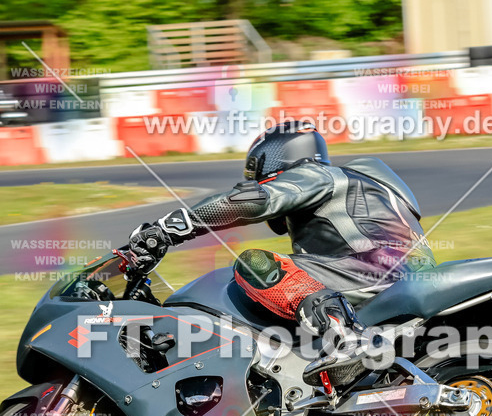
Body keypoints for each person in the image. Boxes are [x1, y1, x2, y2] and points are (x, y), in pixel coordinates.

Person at [128, 120, 434, 388]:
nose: (254, 179)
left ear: (275, 157)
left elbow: (248, 201)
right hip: (398, 281)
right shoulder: (365, 186)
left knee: (257, 263)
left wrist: (168, 229)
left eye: (256, 170)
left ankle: (345, 337)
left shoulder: (314, 175)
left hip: (373, 273)